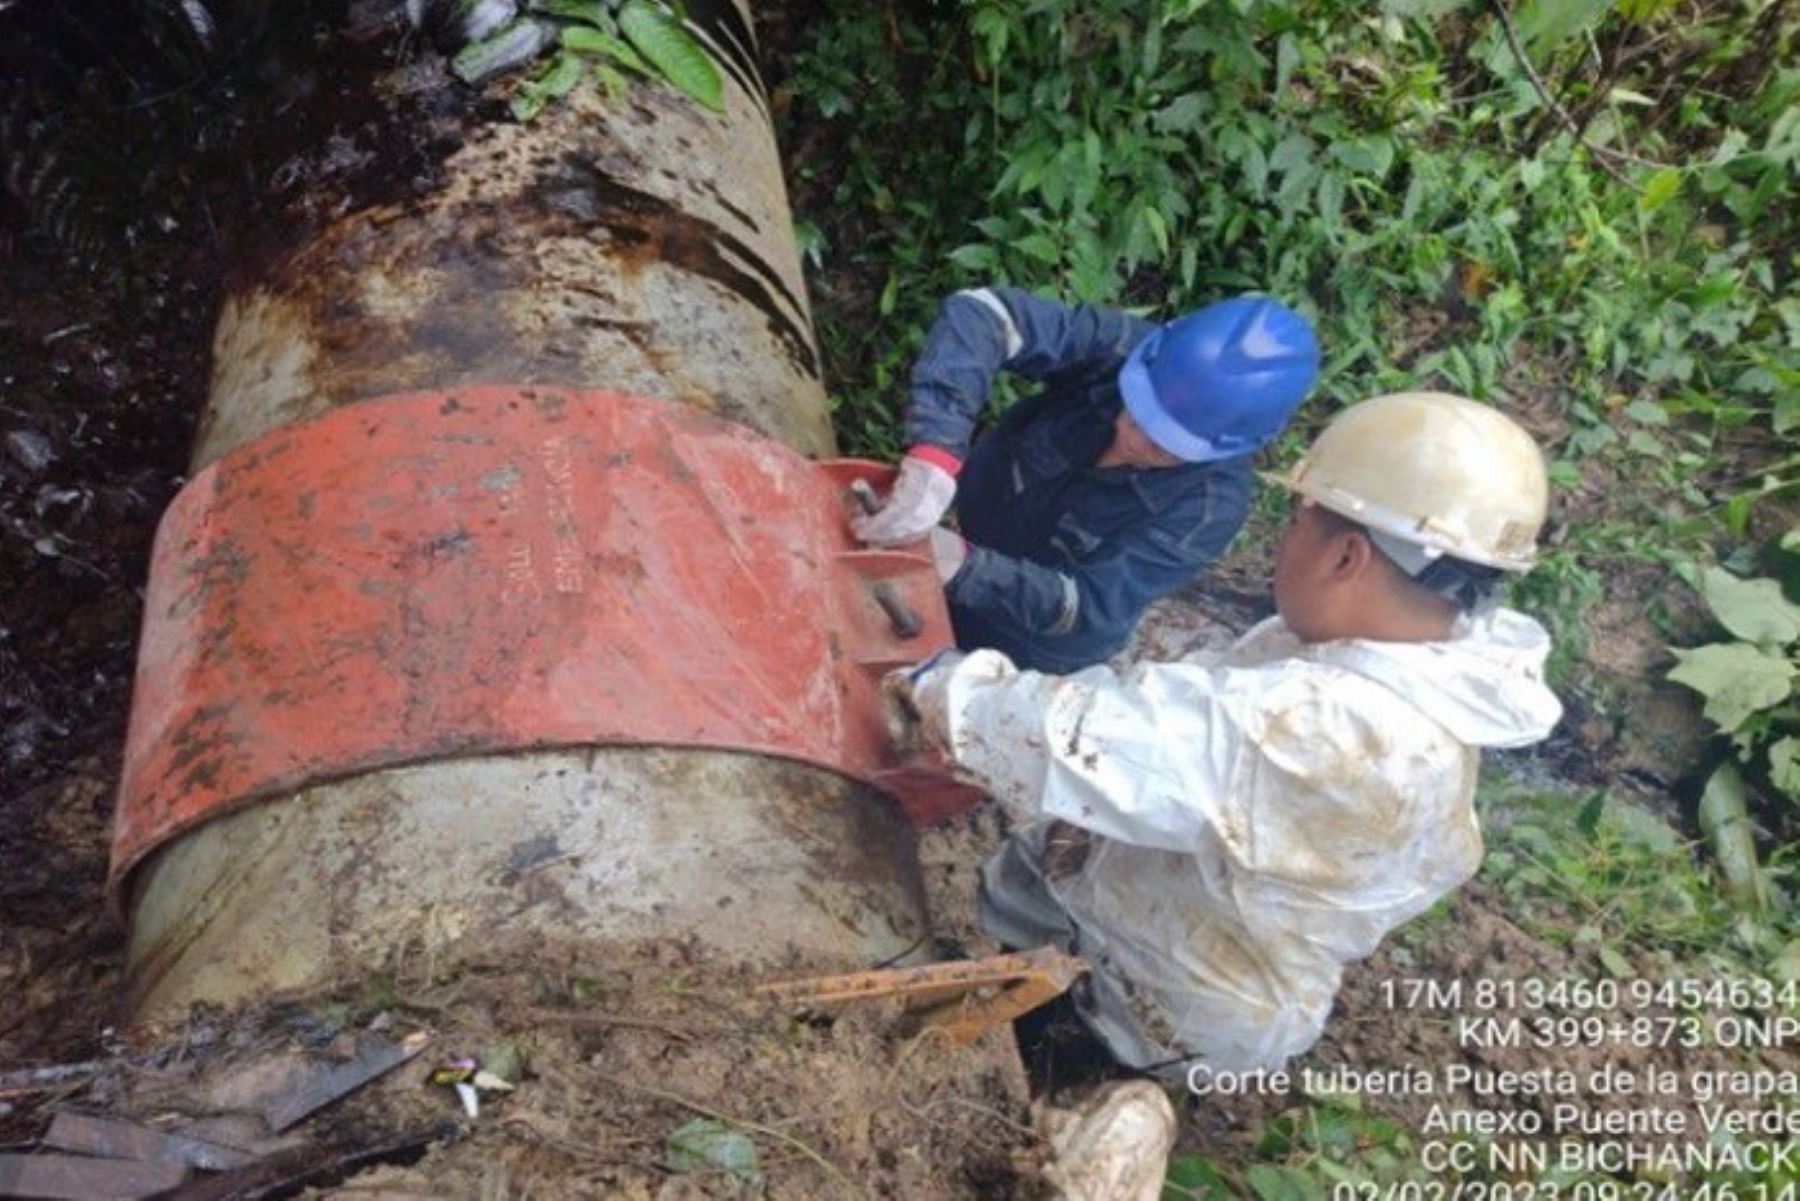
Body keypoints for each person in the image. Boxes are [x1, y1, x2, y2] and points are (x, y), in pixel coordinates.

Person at [890, 391, 1564, 1077]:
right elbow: (1177, 725)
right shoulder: (1411, 668)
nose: (1284, 541)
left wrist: (937, 687)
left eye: (1298, 520)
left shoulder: (1333, 729)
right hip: (1161, 900)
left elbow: (1075, 741)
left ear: (1347, 557)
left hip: (1160, 996)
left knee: (1025, 1071)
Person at [854, 287, 1319, 673]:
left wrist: (965, 567)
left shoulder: (1210, 507)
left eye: (1165, 444)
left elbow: (1090, 608)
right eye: (1136, 410)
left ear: (1227, 446)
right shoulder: (1122, 349)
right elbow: (984, 312)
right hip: (978, 535)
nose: (1132, 439)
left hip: (1032, 643)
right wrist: (935, 453)